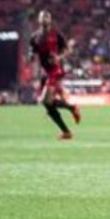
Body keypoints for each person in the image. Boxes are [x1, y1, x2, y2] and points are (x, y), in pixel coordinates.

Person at [29, 10, 81, 139]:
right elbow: (33, 51)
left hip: (55, 69)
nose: (45, 19)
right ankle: (67, 129)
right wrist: (31, 56)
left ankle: (71, 110)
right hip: (45, 72)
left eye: (47, 17)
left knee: (45, 101)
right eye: (43, 17)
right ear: (39, 20)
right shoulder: (34, 37)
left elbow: (68, 49)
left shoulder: (56, 34)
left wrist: (58, 57)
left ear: (50, 20)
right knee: (48, 104)